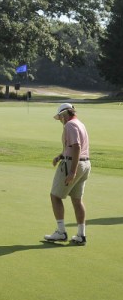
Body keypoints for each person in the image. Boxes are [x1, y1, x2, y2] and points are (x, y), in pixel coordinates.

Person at [44, 103, 91, 245]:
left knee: (55, 196)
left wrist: (72, 171)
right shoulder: (80, 124)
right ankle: (81, 235)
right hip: (85, 164)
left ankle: (61, 232)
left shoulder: (69, 125)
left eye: (60, 117)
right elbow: (73, 147)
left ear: (65, 114)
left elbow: (76, 147)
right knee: (77, 200)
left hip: (72, 165)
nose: (60, 120)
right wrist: (60, 156)